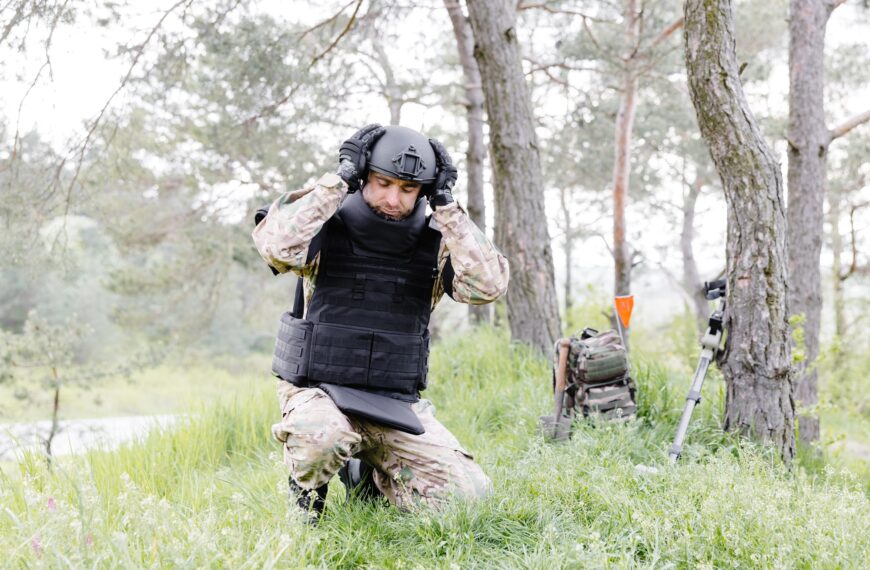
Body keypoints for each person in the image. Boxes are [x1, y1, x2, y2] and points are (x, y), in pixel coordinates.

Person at [252, 124, 509, 521]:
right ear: (364, 177)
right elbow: (275, 246)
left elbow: (488, 286)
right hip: (318, 393)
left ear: (422, 191)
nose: (393, 199)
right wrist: (338, 180)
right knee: (323, 437)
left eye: (407, 190)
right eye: (383, 182)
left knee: (467, 502)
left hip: (394, 404)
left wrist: (447, 206)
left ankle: (368, 477)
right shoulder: (323, 223)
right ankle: (306, 503)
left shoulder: (438, 242)